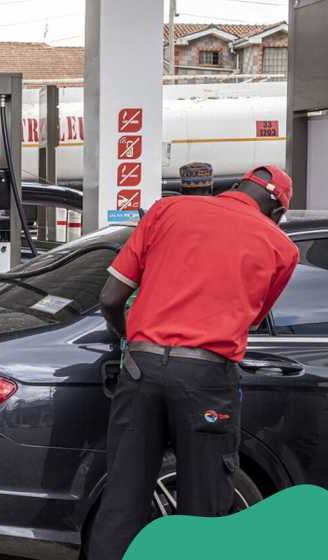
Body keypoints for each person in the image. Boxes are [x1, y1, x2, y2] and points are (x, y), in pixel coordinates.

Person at [88, 165, 299, 560]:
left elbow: (110, 298)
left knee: (122, 499)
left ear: (234, 187)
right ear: (276, 212)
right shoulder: (281, 247)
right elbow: (251, 318)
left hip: (140, 368)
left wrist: (129, 338)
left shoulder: (166, 211)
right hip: (205, 378)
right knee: (205, 506)